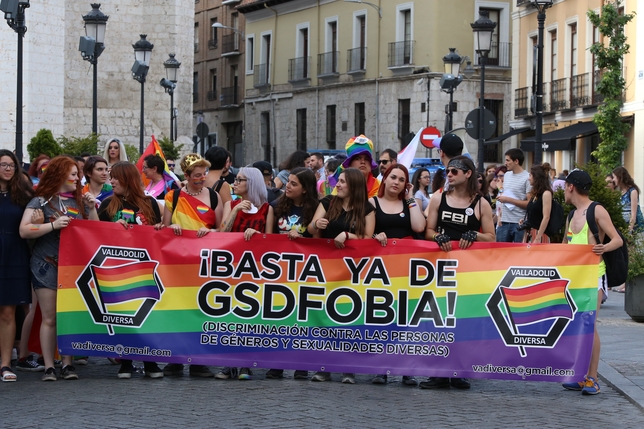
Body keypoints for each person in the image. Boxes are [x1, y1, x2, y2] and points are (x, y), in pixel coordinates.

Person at [19, 156, 99, 381]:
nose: (77, 178)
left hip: (73, 267)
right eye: (73, 174)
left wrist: (91, 208)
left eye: (77, 175)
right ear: (60, 175)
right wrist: (52, 225)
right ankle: (48, 366)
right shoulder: (40, 201)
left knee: (68, 316)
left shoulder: (80, 201)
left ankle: (67, 364)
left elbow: (96, 231)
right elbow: (24, 230)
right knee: (50, 317)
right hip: (46, 264)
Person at [421, 156, 495, 390]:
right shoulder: (438, 198)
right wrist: (438, 236)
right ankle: (438, 372)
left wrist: (475, 235)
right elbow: (428, 231)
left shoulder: (481, 203)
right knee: (438, 318)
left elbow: (491, 237)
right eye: (448, 171)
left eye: (454, 171)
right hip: (440, 268)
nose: (449, 175)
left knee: (462, 319)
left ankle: (459, 370)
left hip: (467, 271)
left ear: (468, 174)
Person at [308, 168, 375, 384]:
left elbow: (367, 239)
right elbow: (311, 230)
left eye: (343, 181)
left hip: (353, 271)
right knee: (324, 317)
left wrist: (348, 235)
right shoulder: (328, 202)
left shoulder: (366, 208)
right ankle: (323, 366)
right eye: (339, 181)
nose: (338, 184)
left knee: (348, 318)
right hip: (326, 268)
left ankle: (348, 367)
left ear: (354, 185)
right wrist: (316, 224)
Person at [98, 162, 164, 379]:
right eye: (110, 177)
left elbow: (156, 233)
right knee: (123, 314)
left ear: (128, 178)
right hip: (118, 268)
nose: (111, 181)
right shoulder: (107, 205)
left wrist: (158, 229)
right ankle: (125, 361)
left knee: (146, 314)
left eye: (115, 177)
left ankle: (150, 360)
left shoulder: (149, 203)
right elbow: (95, 236)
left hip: (144, 265)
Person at [561, 170, 622, 395]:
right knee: (577, 325)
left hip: (594, 274)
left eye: (564, 186)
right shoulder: (571, 215)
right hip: (574, 278)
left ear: (570, 187)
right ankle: (580, 375)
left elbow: (617, 239)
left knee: (589, 324)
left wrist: (603, 247)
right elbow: (564, 247)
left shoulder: (596, 210)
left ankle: (592, 378)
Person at [162, 153, 222, 378]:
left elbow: (222, 230)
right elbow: (164, 228)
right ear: (186, 176)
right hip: (177, 263)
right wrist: (171, 229)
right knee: (176, 311)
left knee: (199, 312)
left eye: (204, 174)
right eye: (197, 175)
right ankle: (174, 359)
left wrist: (211, 231)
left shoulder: (214, 197)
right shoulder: (173, 196)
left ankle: (198, 361)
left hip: (203, 264)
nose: (202, 178)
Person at [370, 164, 425, 386]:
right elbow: (366, 233)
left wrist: (411, 199)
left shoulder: (409, 203)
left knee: (406, 320)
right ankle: (380, 368)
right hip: (381, 270)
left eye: (402, 180)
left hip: (406, 270)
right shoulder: (372, 203)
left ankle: (406, 369)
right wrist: (375, 235)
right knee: (382, 318)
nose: (396, 182)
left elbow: (419, 226)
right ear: (384, 178)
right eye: (393, 177)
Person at [218, 167, 274, 380]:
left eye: (239, 180)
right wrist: (234, 211)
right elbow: (222, 232)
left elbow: (270, 241)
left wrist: (258, 235)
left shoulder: (266, 209)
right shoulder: (229, 204)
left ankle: (245, 364)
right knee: (228, 316)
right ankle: (227, 363)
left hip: (254, 269)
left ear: (251, 183)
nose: (234, 182)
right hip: (230, 266)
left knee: (248, 316)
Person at [265, 167, 318, 380]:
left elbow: (318, 241)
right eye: (289, 182)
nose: (288, 186)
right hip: (279, 270)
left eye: (294, 184)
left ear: (305, 189)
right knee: (279, 317)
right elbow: (267, 238)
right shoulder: (276, 206)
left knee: (301, 320)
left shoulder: (316, 209)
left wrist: (303, 236)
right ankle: (276, 363)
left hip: (305, 270)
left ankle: (301, 363)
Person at [0, 150, 34, 382]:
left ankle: (4, 364)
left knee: (8, 312)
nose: (8, 169)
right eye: (3, 165)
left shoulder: (22, 196)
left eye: (12, 165)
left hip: (14, 255)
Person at [496, 148, 530, 243]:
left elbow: (529, 203)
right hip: (504, 222)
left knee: (518, 255)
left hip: (519, 223)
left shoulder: (527, 177)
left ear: (516, 161)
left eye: (508, 160)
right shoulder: (506, 175)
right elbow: (504, 196)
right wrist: (500, 217)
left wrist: (508, 199)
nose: (505, 163)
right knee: (501, 253)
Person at [522, 164, 553, 244]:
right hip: (530, 233)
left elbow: (546, 217)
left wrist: (539, 237)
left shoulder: (546, 193)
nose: (528, 178)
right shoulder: (535, 194)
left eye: (530, 175)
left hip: (539, 234)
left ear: (536, 177)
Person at [613, 166, 644, 235]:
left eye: (614, 177)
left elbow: (633, 214)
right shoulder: (619, 191)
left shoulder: (632, 191)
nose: (613, 180)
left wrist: (629, 231)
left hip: (635, 228)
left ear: (620, 177)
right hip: (623, 226)